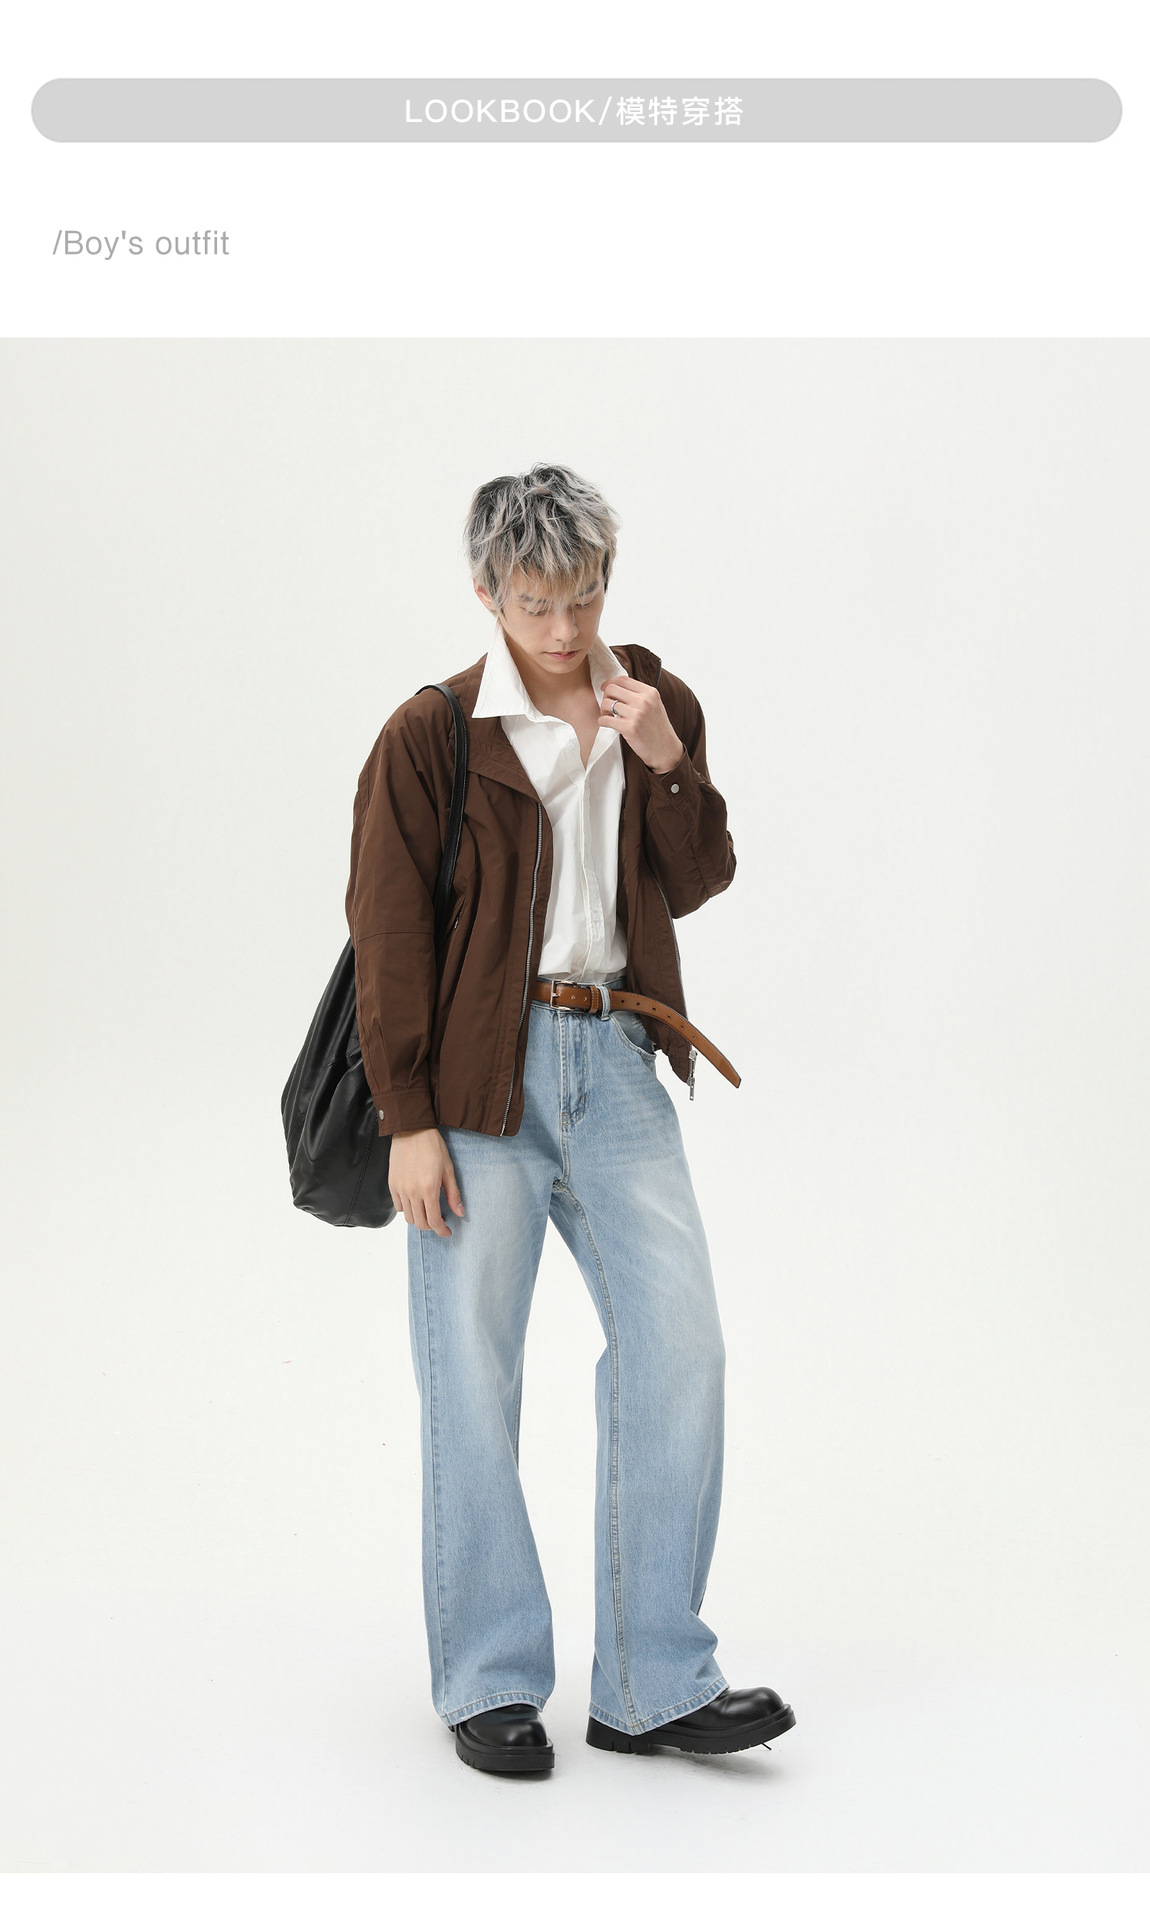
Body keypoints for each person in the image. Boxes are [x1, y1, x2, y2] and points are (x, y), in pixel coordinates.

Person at [345, 463, 795, 1775]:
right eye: (535, 601)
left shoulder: (654, 700)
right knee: (470, 1378)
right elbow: (387, 932)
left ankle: (654, 1682)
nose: (563, 627)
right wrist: (407, 1117)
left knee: (680, 1350)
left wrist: (666, 763)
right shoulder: (432, 735)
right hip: (473, 1088)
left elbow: (697, 877)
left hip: (620, 1058)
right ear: (488, 592)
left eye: (583, 597)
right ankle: (489, 1678)